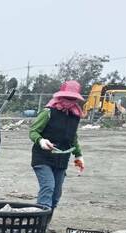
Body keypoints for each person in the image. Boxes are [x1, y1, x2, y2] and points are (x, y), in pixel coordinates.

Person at [28, 80, 85, 224]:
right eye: (67, 98)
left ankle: (45, 224)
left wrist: (78, 155)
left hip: (62, 159)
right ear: (60, 96)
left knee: (56, 194)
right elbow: (33, 131)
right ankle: (38, 225)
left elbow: (73, 137)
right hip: (43, 158)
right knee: (48, 187)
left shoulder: (75, 115)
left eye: (72, 99)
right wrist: (41, 141)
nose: (69, 102)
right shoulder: (48, 112)